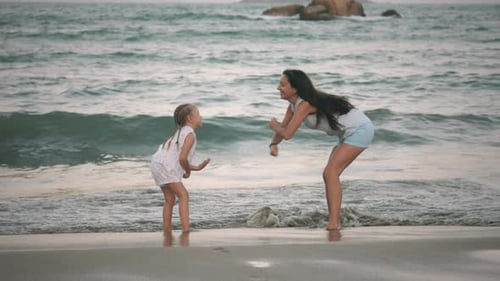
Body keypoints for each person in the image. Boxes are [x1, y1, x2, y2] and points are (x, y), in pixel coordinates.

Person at [269, 69, 374, 231]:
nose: (278, 88)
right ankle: (336, 218)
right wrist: (273, 144)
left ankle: (334, 223)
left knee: (330, 173)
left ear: (295, 88)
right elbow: (284, 128)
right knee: (330, 175)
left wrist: (274, 126)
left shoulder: (305, 104)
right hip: (346, 133)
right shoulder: (293, 106)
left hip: (360, 129)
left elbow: (288, 133)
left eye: (282, 84)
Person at [151, 103, 210, 234]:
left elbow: (175, 159)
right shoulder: (190, 134)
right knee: (183, 195)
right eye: (198, 114)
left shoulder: (179, 132)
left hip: (157, 163)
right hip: (166, 167)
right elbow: (182, 159)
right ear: (189, 118)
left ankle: (167, 230)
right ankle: (186, 229)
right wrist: (188, 171)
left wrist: (197, 167)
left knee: (170, 199)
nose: (201, 117)